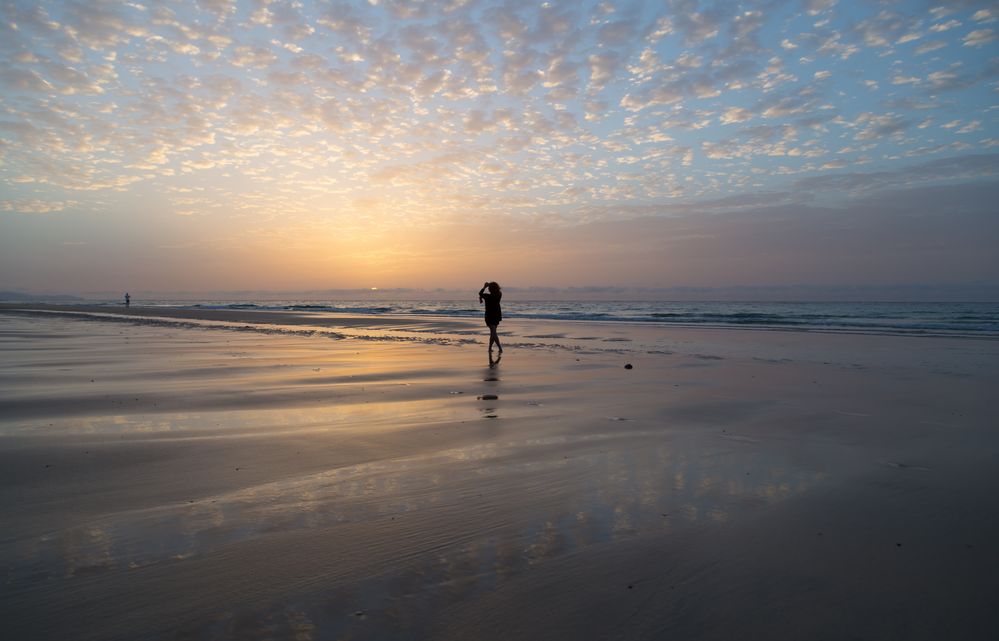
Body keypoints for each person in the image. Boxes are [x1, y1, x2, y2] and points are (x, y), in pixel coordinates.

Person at [478, 281, 503, 353]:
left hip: (489, 315)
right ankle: (490, 348)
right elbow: (481, 294)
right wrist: (490, 285)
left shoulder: (487, 296)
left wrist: (484, 287)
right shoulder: (499, 295)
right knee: (493, 332)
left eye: (489, 288)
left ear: (490, 289)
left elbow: (480, 293)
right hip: (497, 315)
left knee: (493, 333)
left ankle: (499, 348)